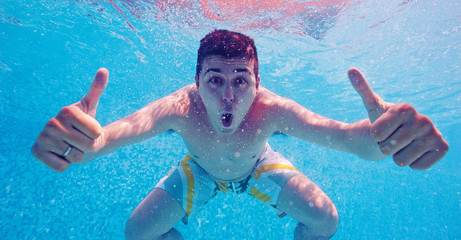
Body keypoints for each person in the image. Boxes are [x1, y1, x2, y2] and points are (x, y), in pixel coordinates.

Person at [31, 30, 448, 240]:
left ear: (257, 81)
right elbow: (116, 134)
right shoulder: (179, 106)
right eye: (214, 80)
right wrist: (88, 142)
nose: (229, 96)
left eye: (241, 81)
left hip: (260, 166)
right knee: (137, 232)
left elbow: (344, 137)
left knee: (325, 219)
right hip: (201, 171)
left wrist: (384, 139)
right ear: (195, 81)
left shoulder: (272, 109)